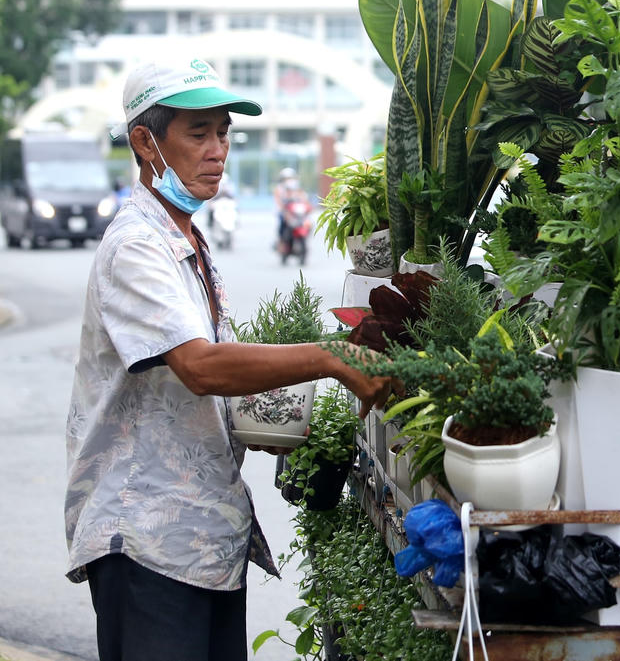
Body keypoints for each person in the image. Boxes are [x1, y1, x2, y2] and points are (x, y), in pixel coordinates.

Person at [64, 57, 396, 661]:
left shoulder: (185, 238)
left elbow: (203, 378)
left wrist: (265, 421)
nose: (217, 150)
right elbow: (200, 366)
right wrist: (331, 356)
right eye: (199, 134)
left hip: (204, 540)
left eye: (224, 133)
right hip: (148, 539)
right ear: (145, 142)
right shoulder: (136, 245)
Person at [273, 166, 298, 249]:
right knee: (282, 223)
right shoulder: (279, 188)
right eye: (286, 178)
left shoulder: (296, 187)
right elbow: (278, 200)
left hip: (294, 210)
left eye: (290, 178)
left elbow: (301, 197)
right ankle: (281, 241)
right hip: (283, 211)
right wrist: (283, 208)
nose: (288, 180)